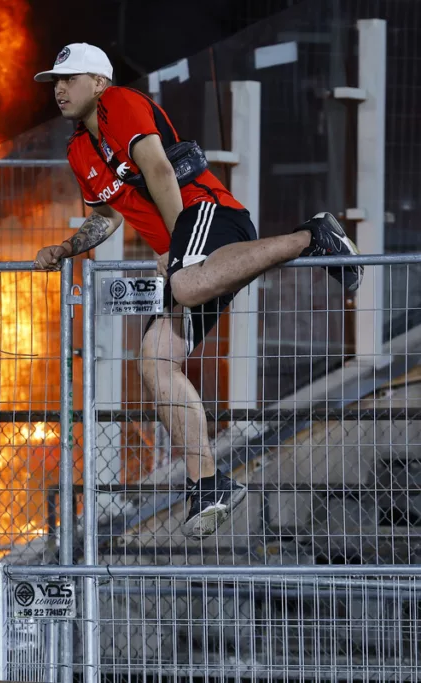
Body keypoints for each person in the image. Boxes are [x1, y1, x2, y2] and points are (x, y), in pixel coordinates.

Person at [32, 43, 363, 538]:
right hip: (191, 251)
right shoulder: (78, 149)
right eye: (54, 82)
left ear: (98, 82)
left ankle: (311, 235)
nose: (58, 89)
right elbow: (106, 218)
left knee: (185, 283)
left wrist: (179, 249)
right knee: (154, 360)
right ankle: (208, 483)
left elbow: (162, 171)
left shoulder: (119, 103)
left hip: (209, 215)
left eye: (69, 78)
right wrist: (65, 248)